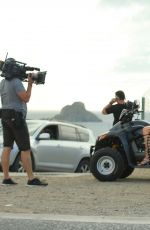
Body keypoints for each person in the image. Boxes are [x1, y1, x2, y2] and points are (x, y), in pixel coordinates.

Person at [0, 61, 48, 186]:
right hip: (16, 117)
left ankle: (6, 177)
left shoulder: (3, 82)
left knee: (7, 147)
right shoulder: (16, 82)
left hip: (4, 115)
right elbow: (26, 98)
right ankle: (31, 179)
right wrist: (30, 85)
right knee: (25, 148)